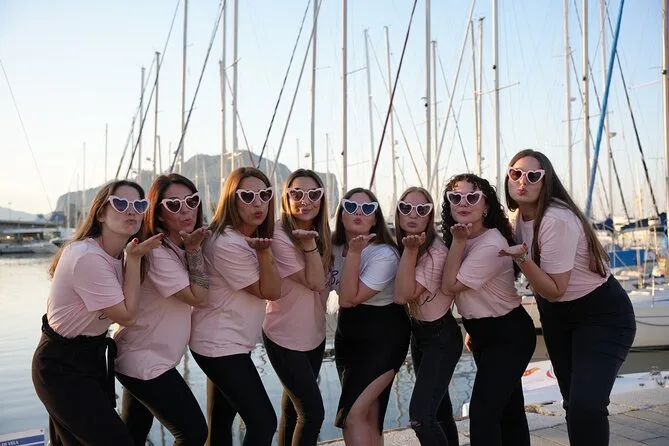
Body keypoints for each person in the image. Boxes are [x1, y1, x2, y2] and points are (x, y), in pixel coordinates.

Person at [502, 149, 636, 446]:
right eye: (516, 173)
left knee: (587, 407)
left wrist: (522, 259)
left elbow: (555, 289)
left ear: (546, 181)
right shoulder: (517, 219)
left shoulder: (556, 219)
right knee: (573, 405)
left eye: (533, 176)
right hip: (557, 317)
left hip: (602, 315)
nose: (523, 181)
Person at [32, 180, 162, 445]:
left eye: (139, 205)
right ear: (101, 213)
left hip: (90, 360)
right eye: (121, 204)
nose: (131, 210)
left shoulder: (117, 255)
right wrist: (134, 259)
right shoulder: (87, 256)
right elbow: (127, 316)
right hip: (61, 366)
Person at [113, 174, 209, 445]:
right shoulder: (157, 252)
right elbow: (199, 298)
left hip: (145, 359)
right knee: (193, 433)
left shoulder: (175, 247)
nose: (186, 210)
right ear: (158, 214)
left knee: (133, 436)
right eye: (174, 205)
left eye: (191, 201)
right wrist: (195, 249)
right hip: (144, 362)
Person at [441, 173, 535, 446]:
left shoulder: (490, 243)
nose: (463, 202)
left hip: (509, 335)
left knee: (483, 414)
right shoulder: (463, 237)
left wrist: (458, 242)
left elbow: (450, 286)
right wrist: (474, 329)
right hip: (484, 333)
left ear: (486, 206)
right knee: (509, 411)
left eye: (472, 197)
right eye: (455, 197)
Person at [190, 166, 279, 446]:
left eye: (264, 195)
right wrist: (264, 254)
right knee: (264, 422)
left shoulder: (238, 238)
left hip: (224, 342)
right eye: (247, 196)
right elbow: (271, 291)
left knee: (220, 425)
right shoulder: (227, 243)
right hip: (220, 345)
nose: (258, 203)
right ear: (231, 199)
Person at [330, 187, 410, 446]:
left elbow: (348, 299)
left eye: (367, 209)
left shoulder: (384, 254)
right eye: (351, 207)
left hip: (384, 336)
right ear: (341, 214)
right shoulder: (332, 247)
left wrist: (354, 253)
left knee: (351, 415)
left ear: (375, 219)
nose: (359, 213)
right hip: (348, 335)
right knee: (369, 415)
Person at [262, 169, 331, 445]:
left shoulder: (324, 234)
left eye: (314, 194)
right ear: (286, 197)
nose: (305, 200)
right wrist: (309, 245)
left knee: (293, 411)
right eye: (297, 193)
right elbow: (315, 282)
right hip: (284, 336)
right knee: (312, 414)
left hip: (315, 335)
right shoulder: (279, 235)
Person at [393, 187, 461, 446]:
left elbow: (402, 296)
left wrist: (410, 251)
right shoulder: (404, 246)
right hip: (420, 335)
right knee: (440, 413)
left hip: (440, 337)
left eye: (422, 209)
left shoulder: (435, 253)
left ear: (430, 216)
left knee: (420, 417)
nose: (413, 214)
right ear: (398, 213)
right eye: (406, 208)